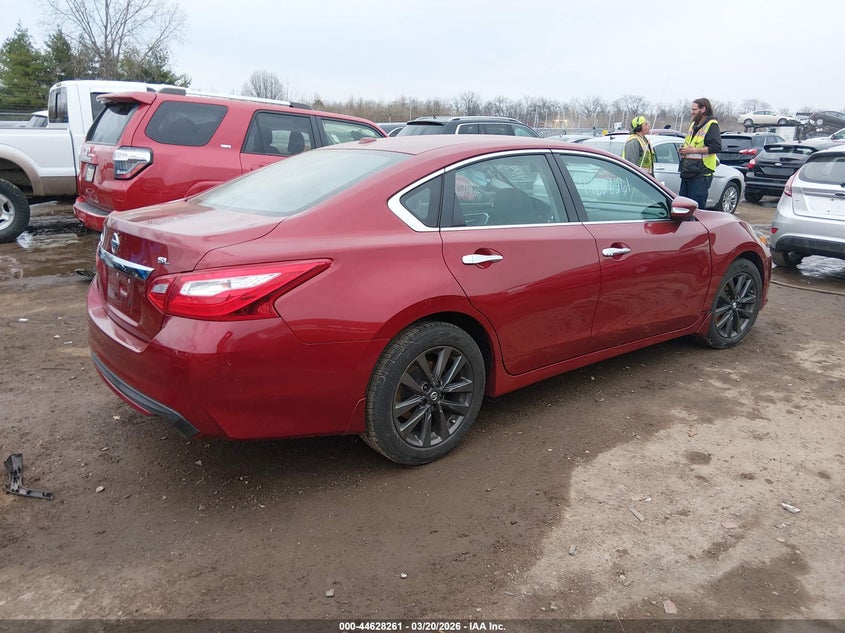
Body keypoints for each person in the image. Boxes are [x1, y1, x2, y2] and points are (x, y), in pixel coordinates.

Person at [678, 98, 721, 209]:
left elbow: (716, 147)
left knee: (696, 208)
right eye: (691, 109)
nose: (692, 112)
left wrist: (692, 151)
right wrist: (683, 150)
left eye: (694, 109)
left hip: (701, 173)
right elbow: (689, 143)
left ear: (703, 109)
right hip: (688, 170)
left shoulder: (711, 125)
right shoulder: (693, 125)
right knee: (683, 206)